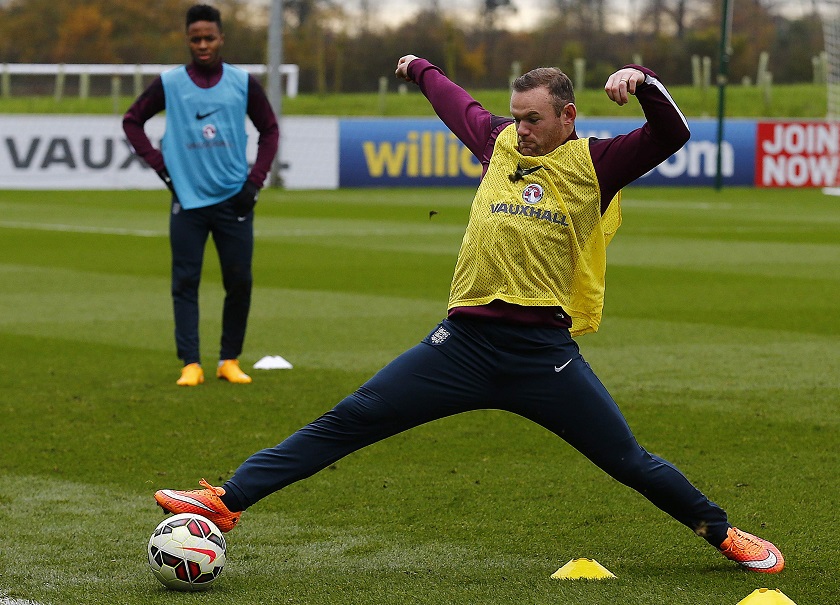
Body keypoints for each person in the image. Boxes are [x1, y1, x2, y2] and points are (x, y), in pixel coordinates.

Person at [154, 55, 784, 574]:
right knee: (349, 419)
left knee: (628, 461)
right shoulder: (499, 142)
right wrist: (420, 69)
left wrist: (642, 83)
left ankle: (725, 535)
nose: (522, 130)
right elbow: (457, 102)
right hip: (459, 347)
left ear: (569, 115)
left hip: (543, 356)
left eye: (534, 120)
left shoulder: (599, 161)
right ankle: (224, 502)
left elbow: (672, 134)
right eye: (516, 117)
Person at [123, 4, 279, 386]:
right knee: (185, 281)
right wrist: (161, 167)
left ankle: (229, 360)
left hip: (234, 199)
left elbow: (269, 130)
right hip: (188, 201)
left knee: (239, 280)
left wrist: (255, 181)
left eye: (209, 38)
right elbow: (132, 121)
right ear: (188, 40)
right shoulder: (171, 83)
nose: (203, 45)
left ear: (221, 38)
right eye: (196, 39)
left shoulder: (242, 83)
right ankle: (190, 363)